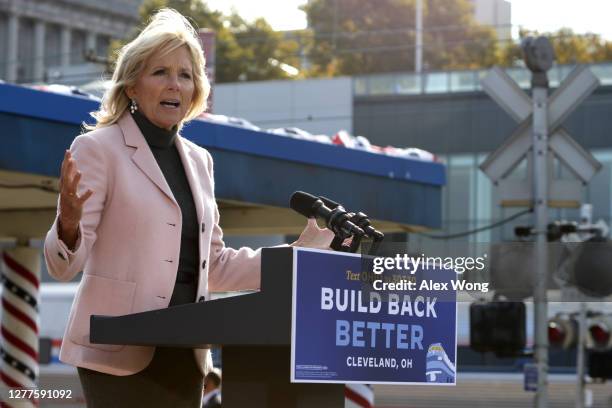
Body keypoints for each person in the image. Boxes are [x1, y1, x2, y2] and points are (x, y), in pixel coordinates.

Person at [43, 8, 333, 407]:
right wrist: (68, 225)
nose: (175, 84)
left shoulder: (200, 161)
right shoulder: (97, 149)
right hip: (117, 352)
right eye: (159, 72)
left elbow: (214, 266)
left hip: (186, 351)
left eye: (185, 74)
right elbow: (63, 266)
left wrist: (295, 258)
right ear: (131, 85)